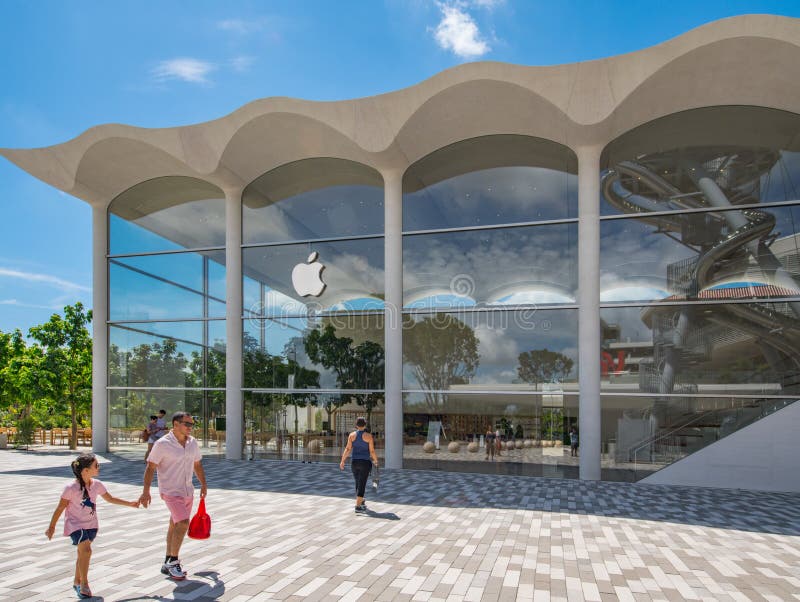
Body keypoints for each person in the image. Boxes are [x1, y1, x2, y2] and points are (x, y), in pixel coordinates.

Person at [45, 453, 139, 599]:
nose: (99, 467)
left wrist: (130, 504)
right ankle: (84, 584)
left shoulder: (97, 484)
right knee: (87, 551)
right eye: (96, 465)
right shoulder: (70, 488)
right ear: (85, 471)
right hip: (75, 525)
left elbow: (110, 499)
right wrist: (51, 527)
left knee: (83, 553)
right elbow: (60, 508)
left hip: (91, 525)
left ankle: (77, 581)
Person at [139, 411, 207, 581]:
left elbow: (197, 464)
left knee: (174, 525)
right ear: (176, 424)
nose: (190, 428)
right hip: (170, 491)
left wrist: (203, 484)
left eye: (192, 425)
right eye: (187, 424)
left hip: (187, 491)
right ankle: (174, 561)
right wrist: (146, 491)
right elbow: (150, 467)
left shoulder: (192, 443)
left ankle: (168, 560)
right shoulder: (162, 444)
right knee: (183, 523)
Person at [339, 417, 378, 514]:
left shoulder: (352, 435)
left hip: (354, 462)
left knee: (358, 481)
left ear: (356, 425)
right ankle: (358, 506)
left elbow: (348, 449)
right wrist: (376, 461)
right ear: (365, 425)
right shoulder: (368, 436)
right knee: (362, 483)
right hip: (365, 462)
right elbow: (372, 451)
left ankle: (361, 500)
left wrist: (342, 461)